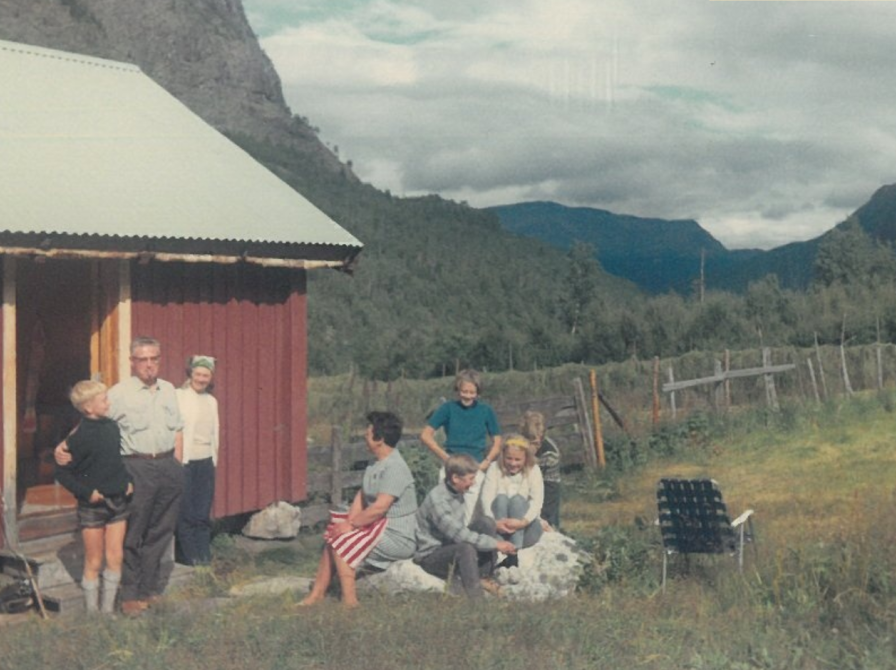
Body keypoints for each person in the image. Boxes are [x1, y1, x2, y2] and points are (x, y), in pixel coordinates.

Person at [56, 336, 184, 617]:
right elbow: (91, 418)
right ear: (132, 362)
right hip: (136, 467)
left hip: (168, 466)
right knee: (134, 532)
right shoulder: (119, 393)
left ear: (159, 360)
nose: (149, 365)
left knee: (161, 531)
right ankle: (129, 595)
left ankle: (149, 590)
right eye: (143, 359)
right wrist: (63, 446)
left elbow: (177, 427)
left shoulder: (168, 389)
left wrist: (178, 466)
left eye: (154, 359)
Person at [300, 411, 417, 608]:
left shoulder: (395, 467)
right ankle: (317, 594)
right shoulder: (375, 464)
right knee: (334, 535)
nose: (365, 435)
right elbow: (361, 497)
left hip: (398, 535)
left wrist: (351, 526)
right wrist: (346, 524)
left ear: (379, 439)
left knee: (342, 540)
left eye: (369, 432)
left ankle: (350, 601)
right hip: (378, 527)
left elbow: (379, 508)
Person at [54, 380, 134, 614]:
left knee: (115, 555)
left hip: (119, 501)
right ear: (88, 407)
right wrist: (87, 493)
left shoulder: (112, 427)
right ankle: (92, 613)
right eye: (104, 400)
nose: (108, 403)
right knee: (94, 560)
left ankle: (107, 611)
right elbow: (62, 473)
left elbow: (115, 461)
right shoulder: (77, 437)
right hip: (92, 507)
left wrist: (128, 481)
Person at [415, 453, 516, 599]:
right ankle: (476, 599)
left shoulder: (457, 491)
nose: (474, 483)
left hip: (450, 545)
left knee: (486, 522)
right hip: (432, 555)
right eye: (471, 479)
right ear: (455, 478)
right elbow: (459, 534)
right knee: (465, 548)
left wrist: (495, 525)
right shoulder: (438, 501)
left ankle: (483, 577)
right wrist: (496, 544)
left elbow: (463, 527)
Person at [420, 369, 502, 523]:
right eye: (464, 392)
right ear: (458, 390)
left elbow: (497, 441)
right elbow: (425, 435)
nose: (468, 396)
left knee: (472, 513)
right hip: (452, 467)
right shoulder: (448, 408)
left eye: (472, 392)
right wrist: (445, 457)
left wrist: (487, 461)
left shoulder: (486, 411)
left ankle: (469, 542)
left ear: (478, 392)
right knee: (445, 512)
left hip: (475, 467)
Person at [175, 355, 220, 566]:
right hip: (185, 462)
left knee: (203, 511)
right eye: (198, 374)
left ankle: (204, 558)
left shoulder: (211, 402)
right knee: (186, 511)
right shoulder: (179, 397)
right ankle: (189, 558)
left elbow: (214, 433)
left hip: (205, 461)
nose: (201, 379)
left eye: (206, 375)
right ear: (191, 374)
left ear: (211, 378)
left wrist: (213, 460)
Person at [480, 434, 544, 559]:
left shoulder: (533, 470)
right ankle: (500, 547)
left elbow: (537, 501)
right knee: (501, 498)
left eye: (517, 459)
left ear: (526, 458)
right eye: (509, 458)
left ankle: (515, 549)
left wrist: (522, 522)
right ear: (503, 456)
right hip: (499, 524)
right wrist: (495, 523)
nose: (513, 463)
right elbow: (486, 498)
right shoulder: (494, 468)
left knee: (517, 500)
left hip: (525, 527)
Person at [520, 410, 561, 530]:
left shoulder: (550, 453)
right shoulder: (514, 446)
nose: (534, 446)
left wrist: (545, 517)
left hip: (544, 490)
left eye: (537, 442)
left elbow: (551, 487)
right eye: (530, 441)